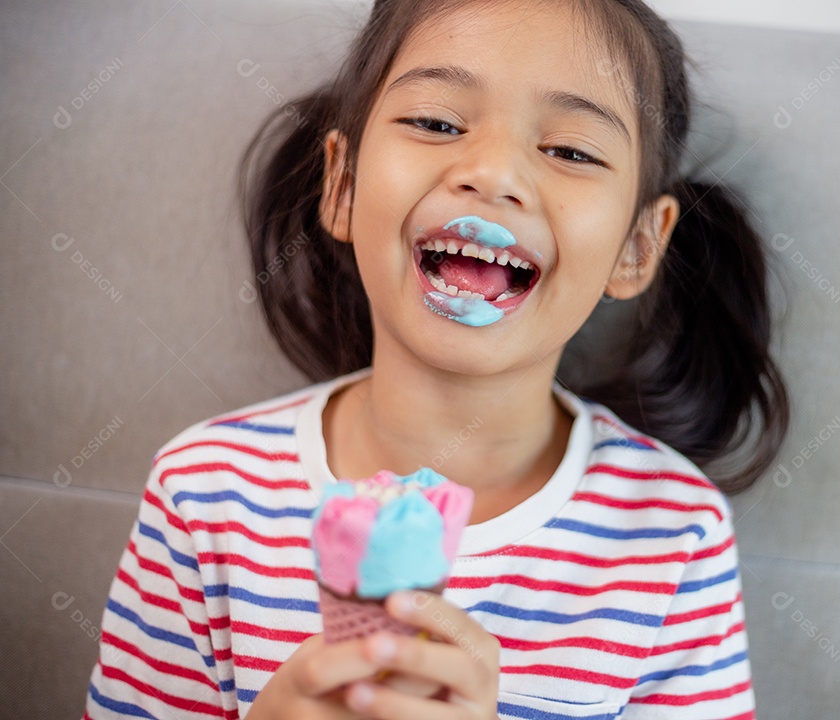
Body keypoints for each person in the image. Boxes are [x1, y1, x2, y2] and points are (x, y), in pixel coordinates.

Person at [84, 0, 788, 718]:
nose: (491, 173)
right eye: (437, 123)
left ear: (638, 244)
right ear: (344, 183)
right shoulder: (204, 493)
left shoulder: (673, 533)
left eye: (571, 151)